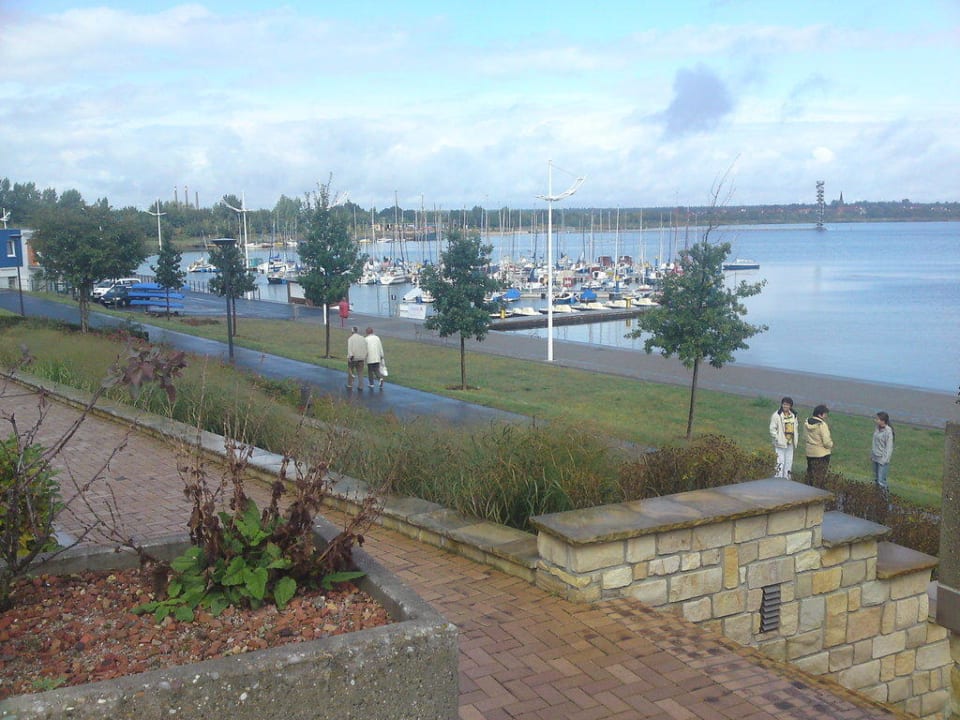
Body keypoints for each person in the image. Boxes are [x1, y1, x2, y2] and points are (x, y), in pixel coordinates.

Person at [768, 396, 798, 478]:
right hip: (780, 442)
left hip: (790, 442)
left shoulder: (793, 415)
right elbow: (772, 429)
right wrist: (777, 438)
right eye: (784, 404)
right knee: (780, 461)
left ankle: (787, 478)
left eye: (787, 405)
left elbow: (795, 427)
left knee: (789, 461)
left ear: (790, 406)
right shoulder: (776, 415)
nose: (785, 406)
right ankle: (778, 478)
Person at [804, 404, 834, 483]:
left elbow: (805, 436)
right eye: (825, 414)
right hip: (821, 454)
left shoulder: (807, 423)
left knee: (810, 473)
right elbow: (826, 442)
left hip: (810, 452)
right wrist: (831, 445)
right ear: (820, 414)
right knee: (820, 475)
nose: (826, 416)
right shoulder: (822, 425)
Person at [871, 411, 895, 495]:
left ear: (883, 421)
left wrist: (884, 460)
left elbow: (889, 448)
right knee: (876, 480)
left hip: (882, 460)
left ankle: (884, 499)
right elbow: (874, 442)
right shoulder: (877, 428)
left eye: (877, 419)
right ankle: (877, 497)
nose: (875, 420)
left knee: (881, 481)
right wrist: (872, 455)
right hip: (875, 457)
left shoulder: (888, 431)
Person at [345, 326, 367, 391]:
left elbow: (350, 349)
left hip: (353, 358)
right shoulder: (363, 338)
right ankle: (361, 386)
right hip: (361, 358)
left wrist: (350, 357)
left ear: (352, 331)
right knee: (360, 372)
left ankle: (350, 384)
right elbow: (365, 348)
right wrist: (364, 356)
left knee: (350, 369)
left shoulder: (350, 339)